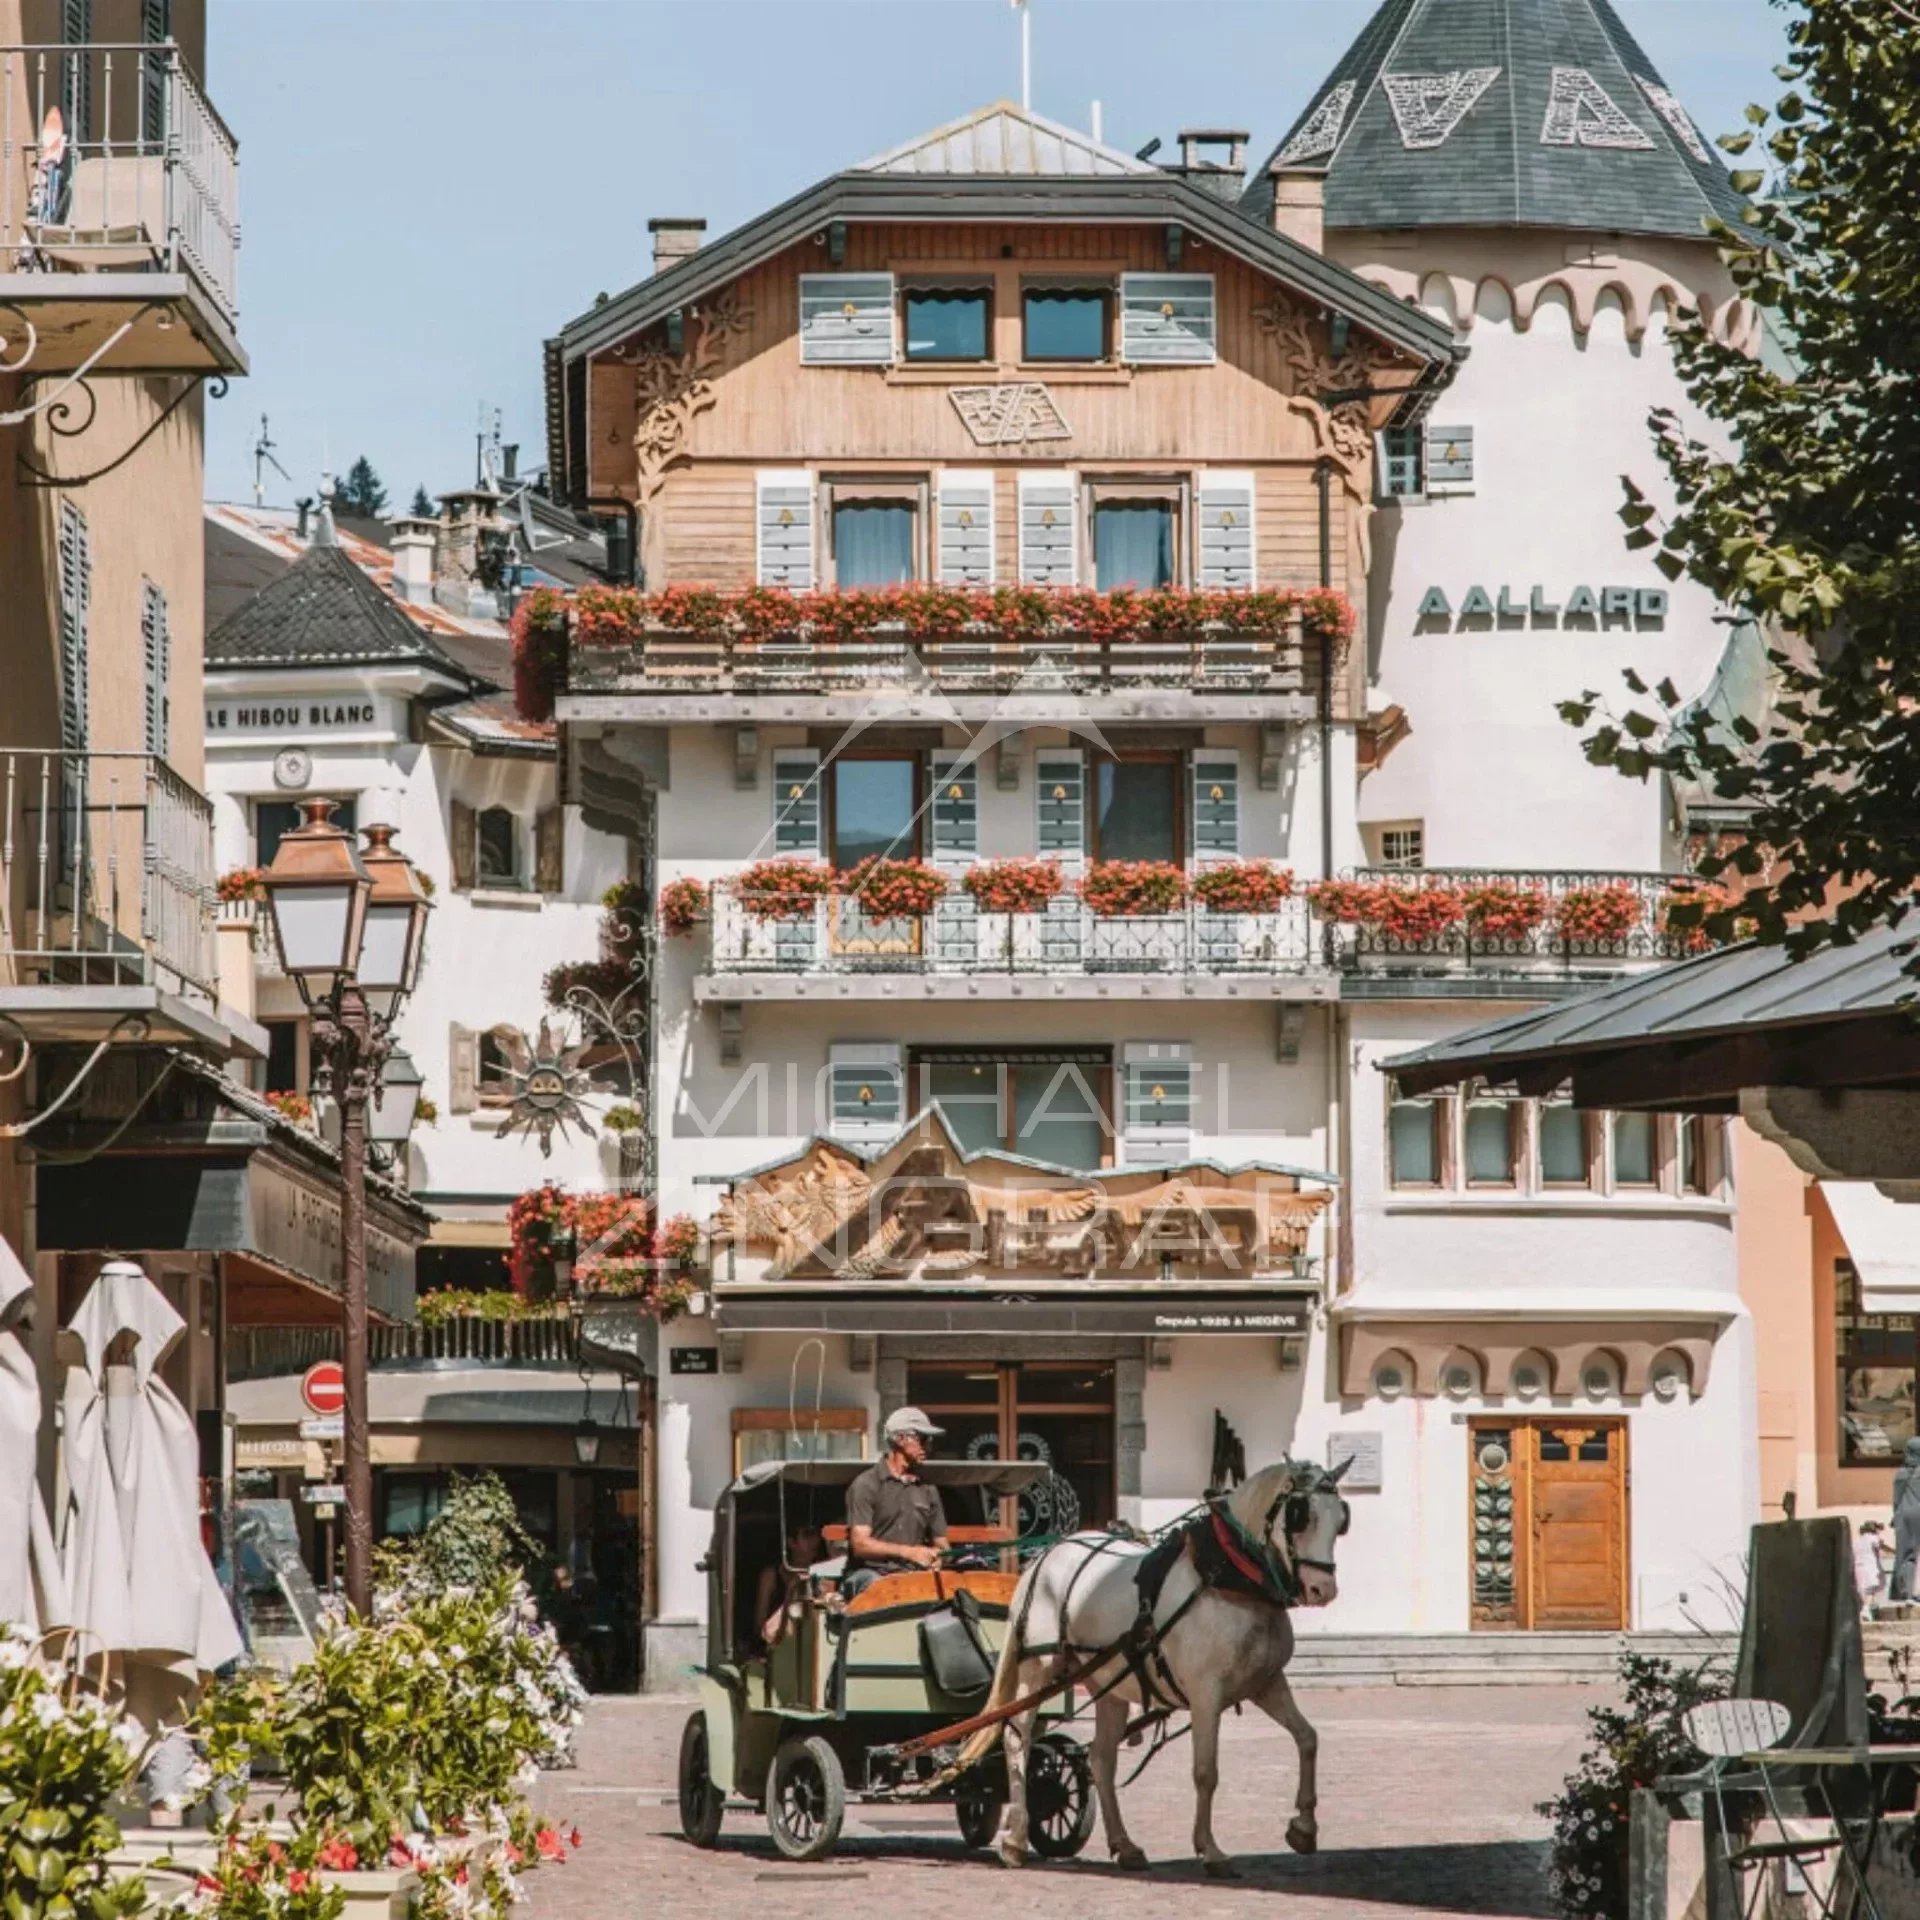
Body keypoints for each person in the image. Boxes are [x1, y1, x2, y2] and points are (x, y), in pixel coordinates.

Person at [842, 1407, 950, 1597]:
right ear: (900, 1439)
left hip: (914, 1576)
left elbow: (942, 1544)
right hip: (870, 1575)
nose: (928, 1447)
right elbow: (860, 1545)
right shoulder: (866, 1484)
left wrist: (939, 1558)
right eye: (923, 1438)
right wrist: (908, 1552)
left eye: (930, 1441)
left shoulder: (928, 1489)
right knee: (879, 1586)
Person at [754, 1519, 826, 1648]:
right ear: (791, 1542)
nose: (815, 1540)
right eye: (808, 1535)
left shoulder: (825, 1573)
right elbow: (761, 1627)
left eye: (817, 1535)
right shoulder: (771, 1575)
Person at [1857, 1519, 1890, 1613]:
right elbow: (1881, 1546)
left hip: (1858, 1567)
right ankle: (1866, 1609)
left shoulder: (1858, 1540)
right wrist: (1894, 1551)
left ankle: (1868, 1607)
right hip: (1870, 1567)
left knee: (1863, 1590)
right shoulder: (1872, 1537)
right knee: (1871, 1589)